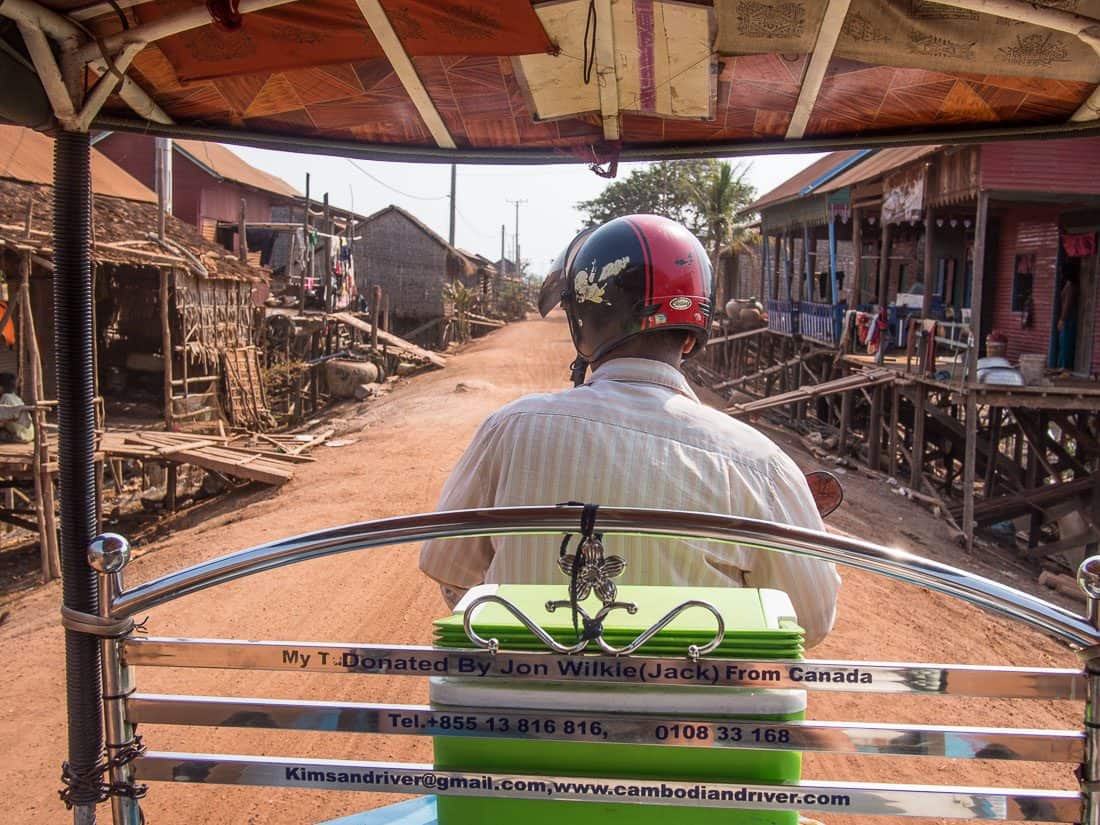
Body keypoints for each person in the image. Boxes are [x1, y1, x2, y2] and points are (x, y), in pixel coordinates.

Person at [419, 215, 840, 646]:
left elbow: (450, 569)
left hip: (524, 708)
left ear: (583, 326)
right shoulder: (761, 465)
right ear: (692, 338)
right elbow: (810, 620)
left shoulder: (509, 428)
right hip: (684, 709)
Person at [0, 373, 33, 443]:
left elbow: (4, 419)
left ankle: (14, 437)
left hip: (22, 435)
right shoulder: (16, 397)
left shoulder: (5, 397)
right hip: (30, 434)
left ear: (1, 387)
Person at [1057, 272, 1078, 371]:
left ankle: (1064, 366)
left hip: (1068, 319)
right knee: (1064, 342)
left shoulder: (1070, 287)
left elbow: (1067, 304)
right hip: (1069, 318)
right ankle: (1063, 365)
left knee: (1065, 342)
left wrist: (1062, 319)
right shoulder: (1068, 286)